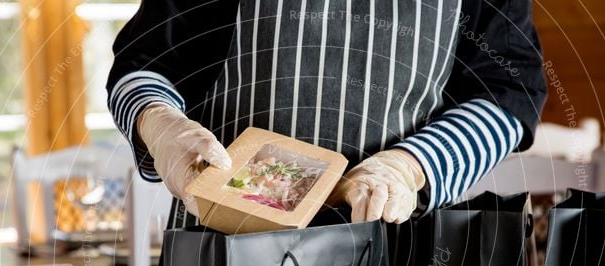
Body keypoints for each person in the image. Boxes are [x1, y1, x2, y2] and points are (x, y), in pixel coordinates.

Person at [107, 0, 546, 228]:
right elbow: (143, 65)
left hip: (393, 252)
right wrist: (161, 125)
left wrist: (408, 168)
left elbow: (509, 91)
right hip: (220, 250)